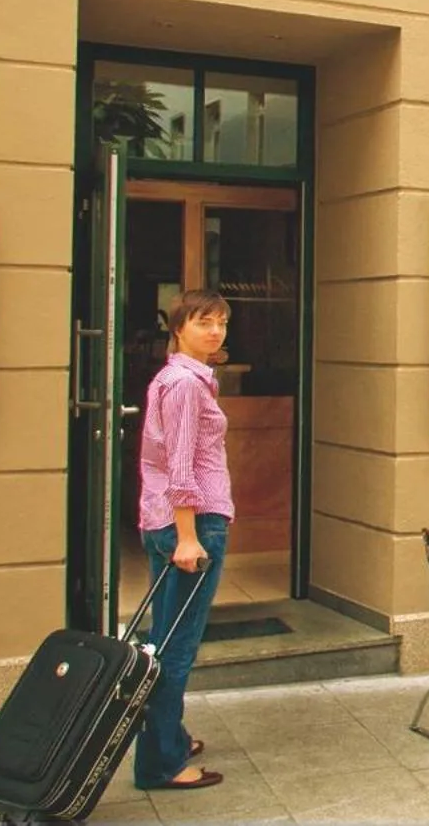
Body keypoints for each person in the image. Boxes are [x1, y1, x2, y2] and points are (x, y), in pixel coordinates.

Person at [133, 290, 235, 792]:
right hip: (189, 526)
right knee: (176, 647)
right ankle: (162, 763)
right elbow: (179, 465)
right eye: (202, 322)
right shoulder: (185, 385)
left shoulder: (180, 378)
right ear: (179, 328)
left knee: (163, 638)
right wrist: (189, 537)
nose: (214, 331)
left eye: (220, 322)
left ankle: (168, 736)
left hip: (167, 523)